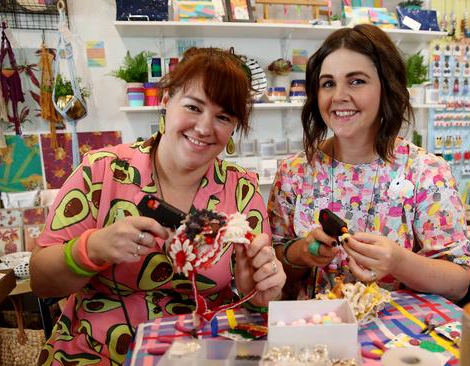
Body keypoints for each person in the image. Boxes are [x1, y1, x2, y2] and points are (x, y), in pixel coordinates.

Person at [30, 47, 286, 365]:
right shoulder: (104, 171)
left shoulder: (242, 190)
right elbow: (40, 280)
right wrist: (91, 250)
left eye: (223, 117)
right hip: (96, 353)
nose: (205, 128)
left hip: (203, 354)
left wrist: (257, 294)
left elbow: (253, 304)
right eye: (193, 107)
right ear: (165, 100)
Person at [268, 24, 470, 301]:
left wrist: (399, 262)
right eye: (328, 83)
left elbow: (458, 280)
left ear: (387, 87)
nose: (339, 96)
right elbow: (270, 267)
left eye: (356, 81)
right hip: (313, 333)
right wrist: (301, 253)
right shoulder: (294, 172)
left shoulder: (426, 172)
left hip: (401, 338)